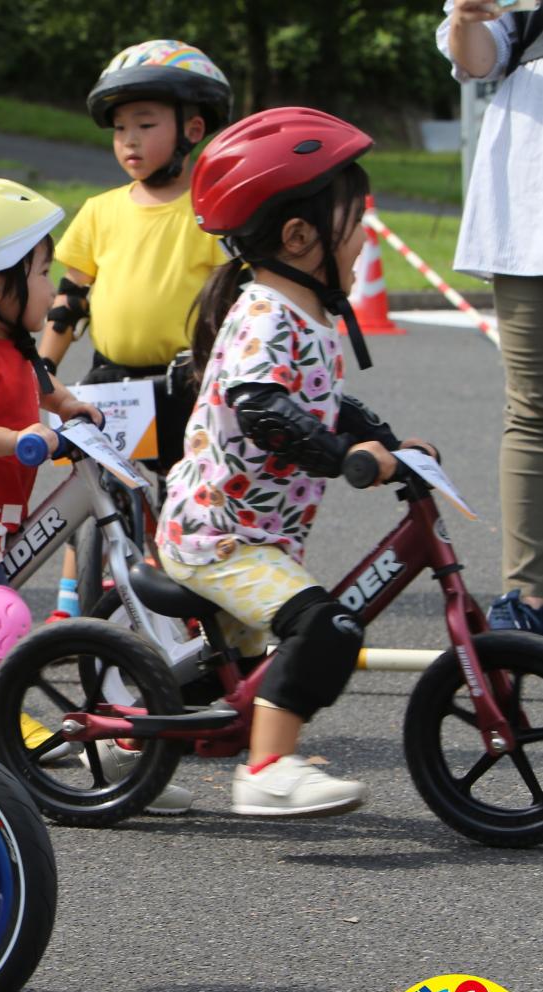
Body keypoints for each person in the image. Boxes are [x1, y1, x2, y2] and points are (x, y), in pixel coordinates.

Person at [157, 107, 438, 817]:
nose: (363, 241)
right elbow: (263, 409)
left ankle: (161, 741)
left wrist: (391, 444)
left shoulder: (306, 315)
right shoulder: (263, 314)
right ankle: (268, 768)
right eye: (355, 227)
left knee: (253, 664)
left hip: (256, 534)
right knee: (327, 627)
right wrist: (347, 458)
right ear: (298, 236)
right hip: (216, 536)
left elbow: (323, 401)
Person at [0, 180, 178, 803]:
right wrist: (22, 440)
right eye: (42, 272)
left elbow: (39, 380)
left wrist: (69, 406)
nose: (52, 289)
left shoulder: (11, 343)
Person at [40, 40, 233, 622]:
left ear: (192, 128)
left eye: (146, 124)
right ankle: (71, 607)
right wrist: (43, 370)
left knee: (184, 493)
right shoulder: (101, 210)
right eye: (120, 127)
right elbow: (69, 300)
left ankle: (180, 601)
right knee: (91, 493)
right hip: (110, 378)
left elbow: (232, 299)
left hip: (185, 380)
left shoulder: (210, 210)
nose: (129, 139)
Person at [438, 1, 543, 632]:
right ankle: (527, 598)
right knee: (532, 410)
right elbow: (478, 58)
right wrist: (468, 18)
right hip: (532, 220)